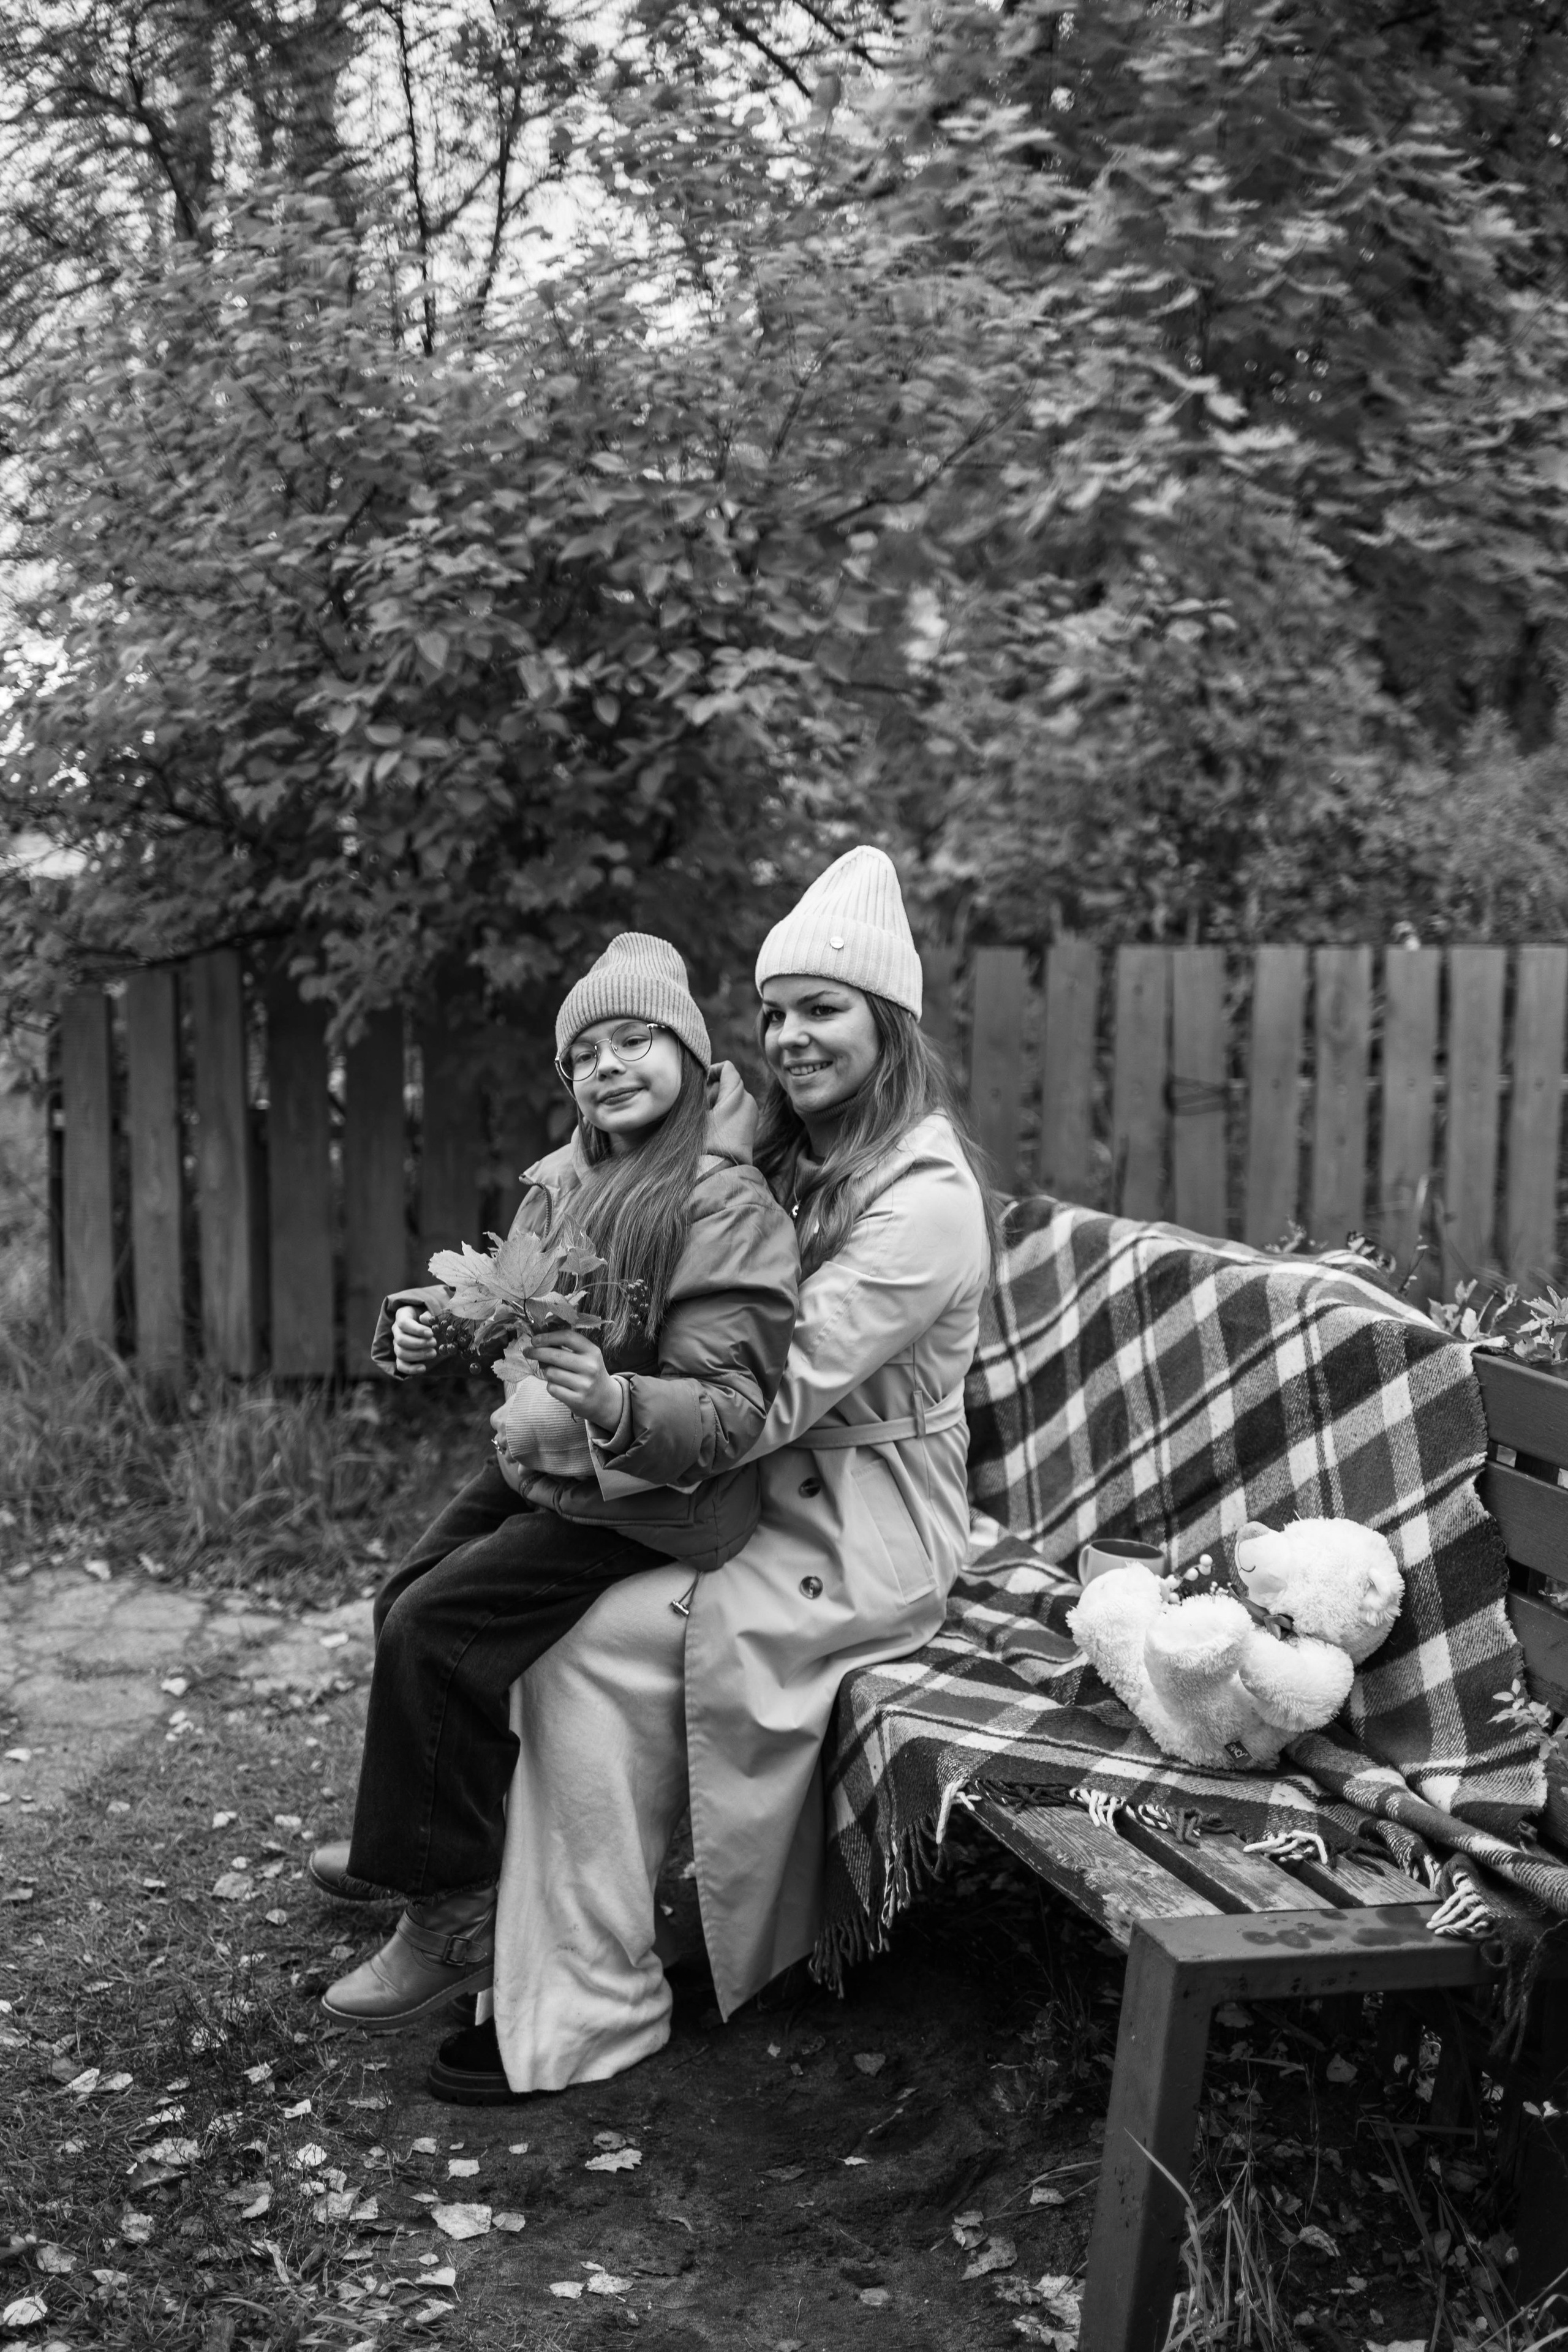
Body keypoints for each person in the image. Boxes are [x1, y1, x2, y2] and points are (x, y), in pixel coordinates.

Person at [420, 843, 995, 2100]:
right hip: (726, 1488)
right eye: (776, 1013)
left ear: (887, 1023)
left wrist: (563, 1426)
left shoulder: (923, 1198)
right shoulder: (787, 1147)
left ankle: (585, 2001)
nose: (790, 1037)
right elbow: (651, 1233)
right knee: (490, 1600)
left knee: (583, 1645)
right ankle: (502, 1937)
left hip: (851, 1520)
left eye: (823, 1011)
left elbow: (773, 1392)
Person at [310, 933, 799, 2028]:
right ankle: (417, 1836)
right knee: (406, 1596)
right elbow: (510, 1314)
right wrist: (439, 1328)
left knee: (440, 1628)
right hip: (560, 1466)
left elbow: (732, 1408)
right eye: (585, 1052)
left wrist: (618, 1402)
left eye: (635, 1040)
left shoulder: (724, 1204)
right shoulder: (566, 1179)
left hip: (659, 1500)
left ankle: (450, 1918)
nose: (607, 1066)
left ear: (687, 1051)